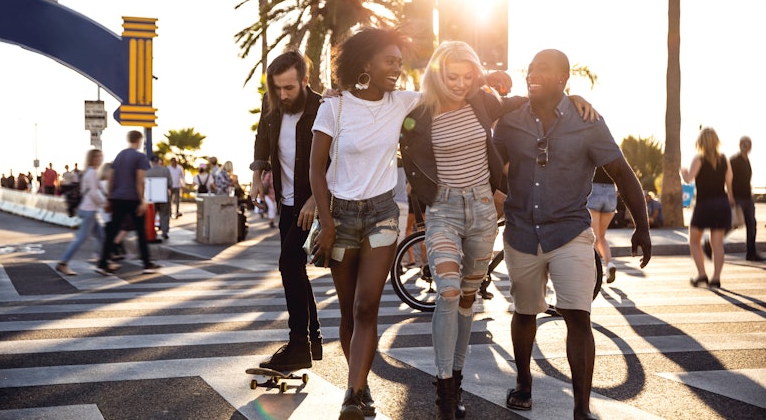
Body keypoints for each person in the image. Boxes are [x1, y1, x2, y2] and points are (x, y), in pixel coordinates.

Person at [401, 41, 598, 419]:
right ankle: (443, 393)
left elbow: (533, 99)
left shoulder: (483, 102)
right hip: (443, 211)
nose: (459, 84)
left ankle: (455, 381)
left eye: (467, 76)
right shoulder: (417, 113)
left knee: (468, 299)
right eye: (452, 76)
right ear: (437, 73)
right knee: (448, 292)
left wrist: (571, 98)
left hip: (480, 212)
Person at [493, 49, 651, 420]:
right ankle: (523, 383)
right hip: (519, 233)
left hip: (570, 232)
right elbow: (488, 163)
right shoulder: (509, 120)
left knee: (578, 316)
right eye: (531, 68)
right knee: (524, 311)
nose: (533, 73)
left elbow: (622, 172)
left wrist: (641, 226)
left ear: (564, 79)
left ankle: (581, 408)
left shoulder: (587, 122)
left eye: (543, 70)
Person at [309, 28, 421, 419]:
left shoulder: (402, 102)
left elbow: (456, 91)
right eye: (389, 61)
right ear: (365, 64)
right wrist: (326, 223)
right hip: (339, 217)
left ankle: (352, 394)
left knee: (366, 306)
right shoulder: (334, 107)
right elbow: (315, 170)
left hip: (382, 215)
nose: (397, 68)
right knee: (346, 310)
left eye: (399, 62)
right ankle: (361, 383)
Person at [249, 49, 324, 375]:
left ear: (305, 80)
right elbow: (262, 138)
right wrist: (256, 175)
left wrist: (317, 201)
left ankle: (298, 345)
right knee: (295, 267)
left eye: (289, 88)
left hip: (313, 205)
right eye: (277, 88)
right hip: (288, 203)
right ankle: (312, 339)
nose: (282, 94)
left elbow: (338, 159)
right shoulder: (273, 105)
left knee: (288, 262)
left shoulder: (323, 108)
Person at [95, 130, 161, 276]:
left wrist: (110, 198)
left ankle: (103, 263)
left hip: (117, 198)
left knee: (112, 231)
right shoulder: (140, 157)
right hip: (132, 198)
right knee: (141, 232)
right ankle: (147, 264)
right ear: (139, 140)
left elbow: (111, 178)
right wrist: (142, 201)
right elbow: (140, 180)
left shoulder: (119, 156)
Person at [681, 127, 734, 288]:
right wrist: (731, 200)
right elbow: (729, 182)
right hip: (721, 203)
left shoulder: (699, 159)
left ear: (701, 142)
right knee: (717, 244)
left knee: (694, 240)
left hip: (705, 204)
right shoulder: (724, 159)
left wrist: (683, 172)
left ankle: (702, 274)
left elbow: (689, 179)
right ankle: (716, 278)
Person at [56, 149, 106, 276]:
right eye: (98, 157)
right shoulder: (93, 172)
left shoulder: (88, 172)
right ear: (93, 159)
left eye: (101, 156)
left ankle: (103, 263)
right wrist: (105, 204)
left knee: (102, 237)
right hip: (89, 210)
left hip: (88, 209)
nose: (100, 159)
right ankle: (63, 262)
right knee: (81, 238)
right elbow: (94, 193)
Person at [730, 136, 764, 261]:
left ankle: (751, 253)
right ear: (740, 145)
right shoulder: (734, 160)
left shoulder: (746, 160)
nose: (746, 146)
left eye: (748, 144)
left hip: (747, 198)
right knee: (732, 224)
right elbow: (728, 179)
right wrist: (731, 197)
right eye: (744, 143)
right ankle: (710, 244)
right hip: (737, 197)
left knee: (752, 224)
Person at [587, 167, 618, 283]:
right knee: (601, 236)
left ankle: (595, 271)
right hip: (611, 191)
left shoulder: (592, 150)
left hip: (594, 189)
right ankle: (609, 264)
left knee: (594, 237)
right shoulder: (613, 152)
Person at [146, 155, 172, 240]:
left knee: (152, 216)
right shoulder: (166, 170)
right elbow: (170, 184)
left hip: (151, 198)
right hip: (163, 196)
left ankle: (153, 231)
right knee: (164, 215)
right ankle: (164, 232)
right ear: (159, 161)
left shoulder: (147, 172)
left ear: (151, 162)